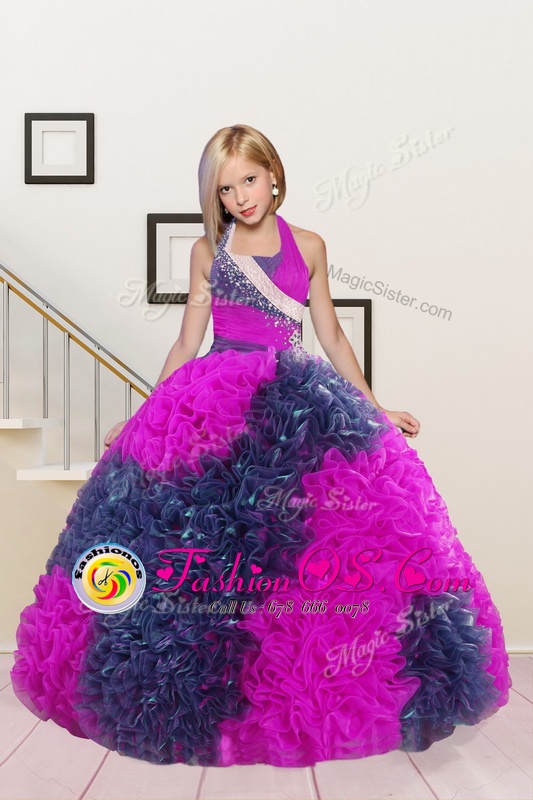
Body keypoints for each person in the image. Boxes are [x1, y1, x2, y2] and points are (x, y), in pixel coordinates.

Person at [11, 124, 512, 768]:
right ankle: (208, 685)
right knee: (209, 544)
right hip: (215, 405)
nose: (241, 197)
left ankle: (302, 682)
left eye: (249, 180)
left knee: (307, 542)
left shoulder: (310, 245)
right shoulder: (208, 252)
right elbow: (187, 340)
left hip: (294, 405)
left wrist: (373, 405)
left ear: (273, 174)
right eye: (226, 190)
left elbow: (331, 335)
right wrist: (142, 415)